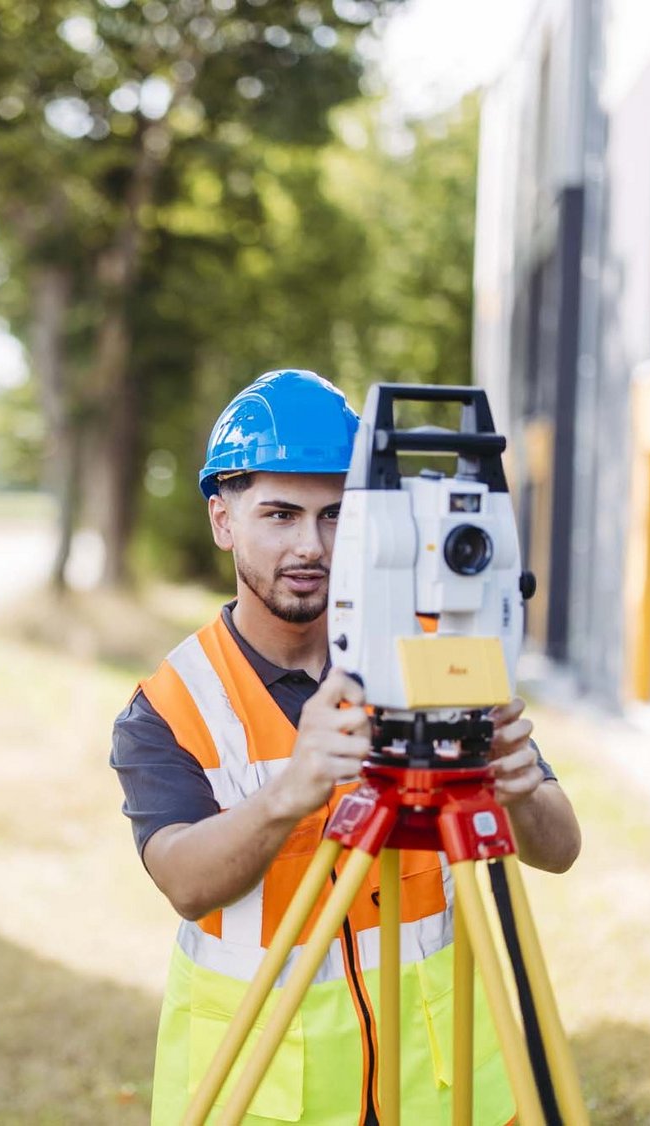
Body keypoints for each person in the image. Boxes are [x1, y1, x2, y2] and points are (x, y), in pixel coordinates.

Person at [110, 370, 582, 1125]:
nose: (312, 546)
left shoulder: (433, 655)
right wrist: (290, 793)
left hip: (439, 1088)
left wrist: (521, 789)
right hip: (268, 1095)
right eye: (280, 514)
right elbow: (185, 882)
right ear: (222, 519)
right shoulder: (173, 702)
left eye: (337, 517)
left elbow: (557, 850)